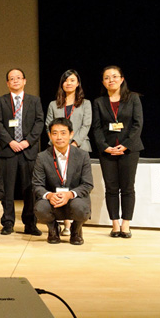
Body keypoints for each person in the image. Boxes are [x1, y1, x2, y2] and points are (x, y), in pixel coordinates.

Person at [92, 66, 143, 238]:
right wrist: (104, 146)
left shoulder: (133, 98)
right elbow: (97, 128)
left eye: (114, 77)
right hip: (107, 151)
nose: (111, 80)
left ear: (122, 79)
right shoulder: (99, 102)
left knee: (128, 188)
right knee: (111, 188)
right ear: (103, 82)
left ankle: (126, 224)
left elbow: (137, 124)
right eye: (107, 77)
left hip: (129, 150)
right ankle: (115, 224)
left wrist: (126, 145)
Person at [0, 68, 44, 236]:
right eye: (11, 79)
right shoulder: (1, 101)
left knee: (29, 188)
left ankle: (30, 223)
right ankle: (8, 222)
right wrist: (11, 142)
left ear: (24, 81)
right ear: (7, 83)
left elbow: (39, 123)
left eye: (18, 78)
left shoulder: (34, 100)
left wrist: (27, 142)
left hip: (28, 150)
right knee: (7, 189)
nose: (15, 81)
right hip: (8, 150)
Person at [45, 69, 92, 235]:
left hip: (79, 147)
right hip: (57, 149)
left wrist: (74, 142)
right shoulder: (53, 104)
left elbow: (86, 125)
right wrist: (59, 143)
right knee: (61, 182)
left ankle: (76, 224)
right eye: (66, 81)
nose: (69, 83)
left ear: (78, 83)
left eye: (72, 80)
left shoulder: (85, 104)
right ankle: (64, 223)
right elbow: (48, 126)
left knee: (75, 184)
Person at [33, 118, 93, 245]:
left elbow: (87, 184)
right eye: (54, 133)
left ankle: (76, 230)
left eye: (63, 133)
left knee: (81, 208)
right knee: (40, 208)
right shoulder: (42, 157)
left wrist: (70, 194)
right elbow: (37, 185)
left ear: (71, 134)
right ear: (49, 135)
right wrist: (49, 195)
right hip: (53, 200)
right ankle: (53, 229)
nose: (59, 137)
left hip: (74, 200)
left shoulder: (82, 155)